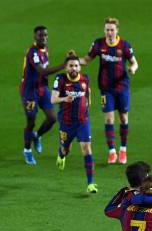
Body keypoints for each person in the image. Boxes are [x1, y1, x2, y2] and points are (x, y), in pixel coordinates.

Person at [80, 17, 138, 164]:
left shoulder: (124, 45)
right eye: (107, 29)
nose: (109, 32)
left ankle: (123, 149)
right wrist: (72, 61)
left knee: (124, 118)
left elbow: (134, 62)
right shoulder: (99, 44)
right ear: (104, 30)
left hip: (122, 87)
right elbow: (87, 60)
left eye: (112, 29)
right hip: (106, 88)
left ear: (117, 30)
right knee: (108, 119)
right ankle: (112, 152)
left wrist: (132, 68)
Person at [19, 26, 72, 165]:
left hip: (42, 89)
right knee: (31, 121)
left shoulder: (45, 50)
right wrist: (64, 65)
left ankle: (37, 136)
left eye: (45, 35)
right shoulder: (33, 52)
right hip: (30, 91)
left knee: (53, 117)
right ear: (34, 37)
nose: (43, 38)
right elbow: (42, 71)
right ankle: (27, 150)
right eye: (40, 36)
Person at [51, 56, 97, 193]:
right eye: (71, 66)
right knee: (66, 150)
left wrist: (88, 103)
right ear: (66, 67)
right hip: (66, 122)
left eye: (76, 65)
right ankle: (61, 154)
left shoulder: (85, 79)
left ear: (80, 67)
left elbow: (88, 93)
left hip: (83, 121)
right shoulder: (60, 79)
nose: (73, 68)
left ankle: (91, 184)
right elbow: (53, 99)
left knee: (87, 149)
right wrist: (65, 98)